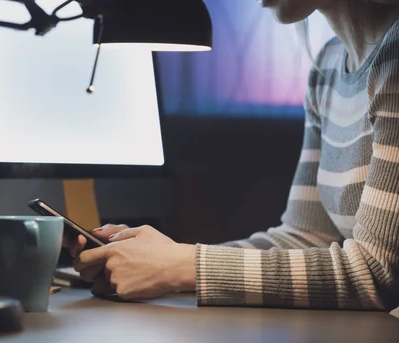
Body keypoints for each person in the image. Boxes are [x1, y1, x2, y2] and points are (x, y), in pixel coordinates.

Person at [64, 0, 399, 311]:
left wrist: (183, 265)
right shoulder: (328, 65)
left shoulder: (394, 56)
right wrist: (161, 258)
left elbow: (377, 271)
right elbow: (307, 237)